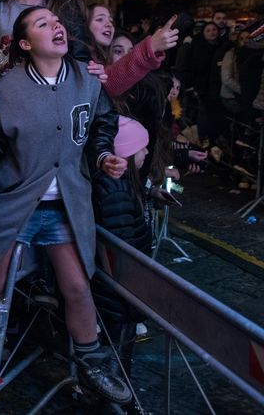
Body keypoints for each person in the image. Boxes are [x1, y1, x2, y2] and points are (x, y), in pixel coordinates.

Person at [0, 6, 131, 405]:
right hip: (16, 205)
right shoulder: (7, 88)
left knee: (77, 287)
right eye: (44, 24)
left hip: (65, 208)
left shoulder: (86, 81)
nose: (57, 26)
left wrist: (104, 157)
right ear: (25, 43)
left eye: (57, 21)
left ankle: (93, 364)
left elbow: (99, 130)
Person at [91, 116, 153, 410]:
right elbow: (122, 250)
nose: (146, 153)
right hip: (117, 293)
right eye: (142, 148)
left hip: (112, 292)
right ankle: (116, 405)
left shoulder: (115, 186)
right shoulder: (115, 190)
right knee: (115, 360)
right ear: (126, 154)